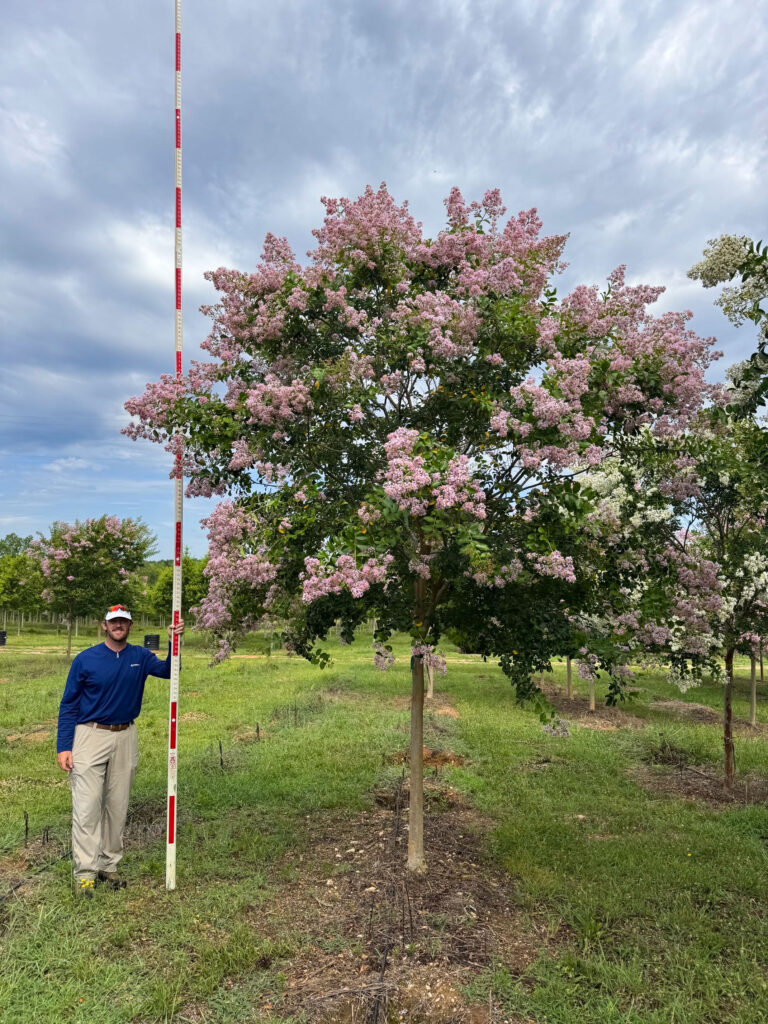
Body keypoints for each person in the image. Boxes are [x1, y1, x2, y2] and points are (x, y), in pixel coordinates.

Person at [56, 604, 184, 897]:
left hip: (125, 735)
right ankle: (85, 874)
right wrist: (64, 746)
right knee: (87, 807)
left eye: (123, 622)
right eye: (113, 621)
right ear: (104, 625)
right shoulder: (85, 660)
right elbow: (69, 704)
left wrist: (174, 641)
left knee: (118, 806)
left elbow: (168, 671)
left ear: (130, 626)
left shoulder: (140, 656)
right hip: (89, 735)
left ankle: (108, 866)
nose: (118, 626)